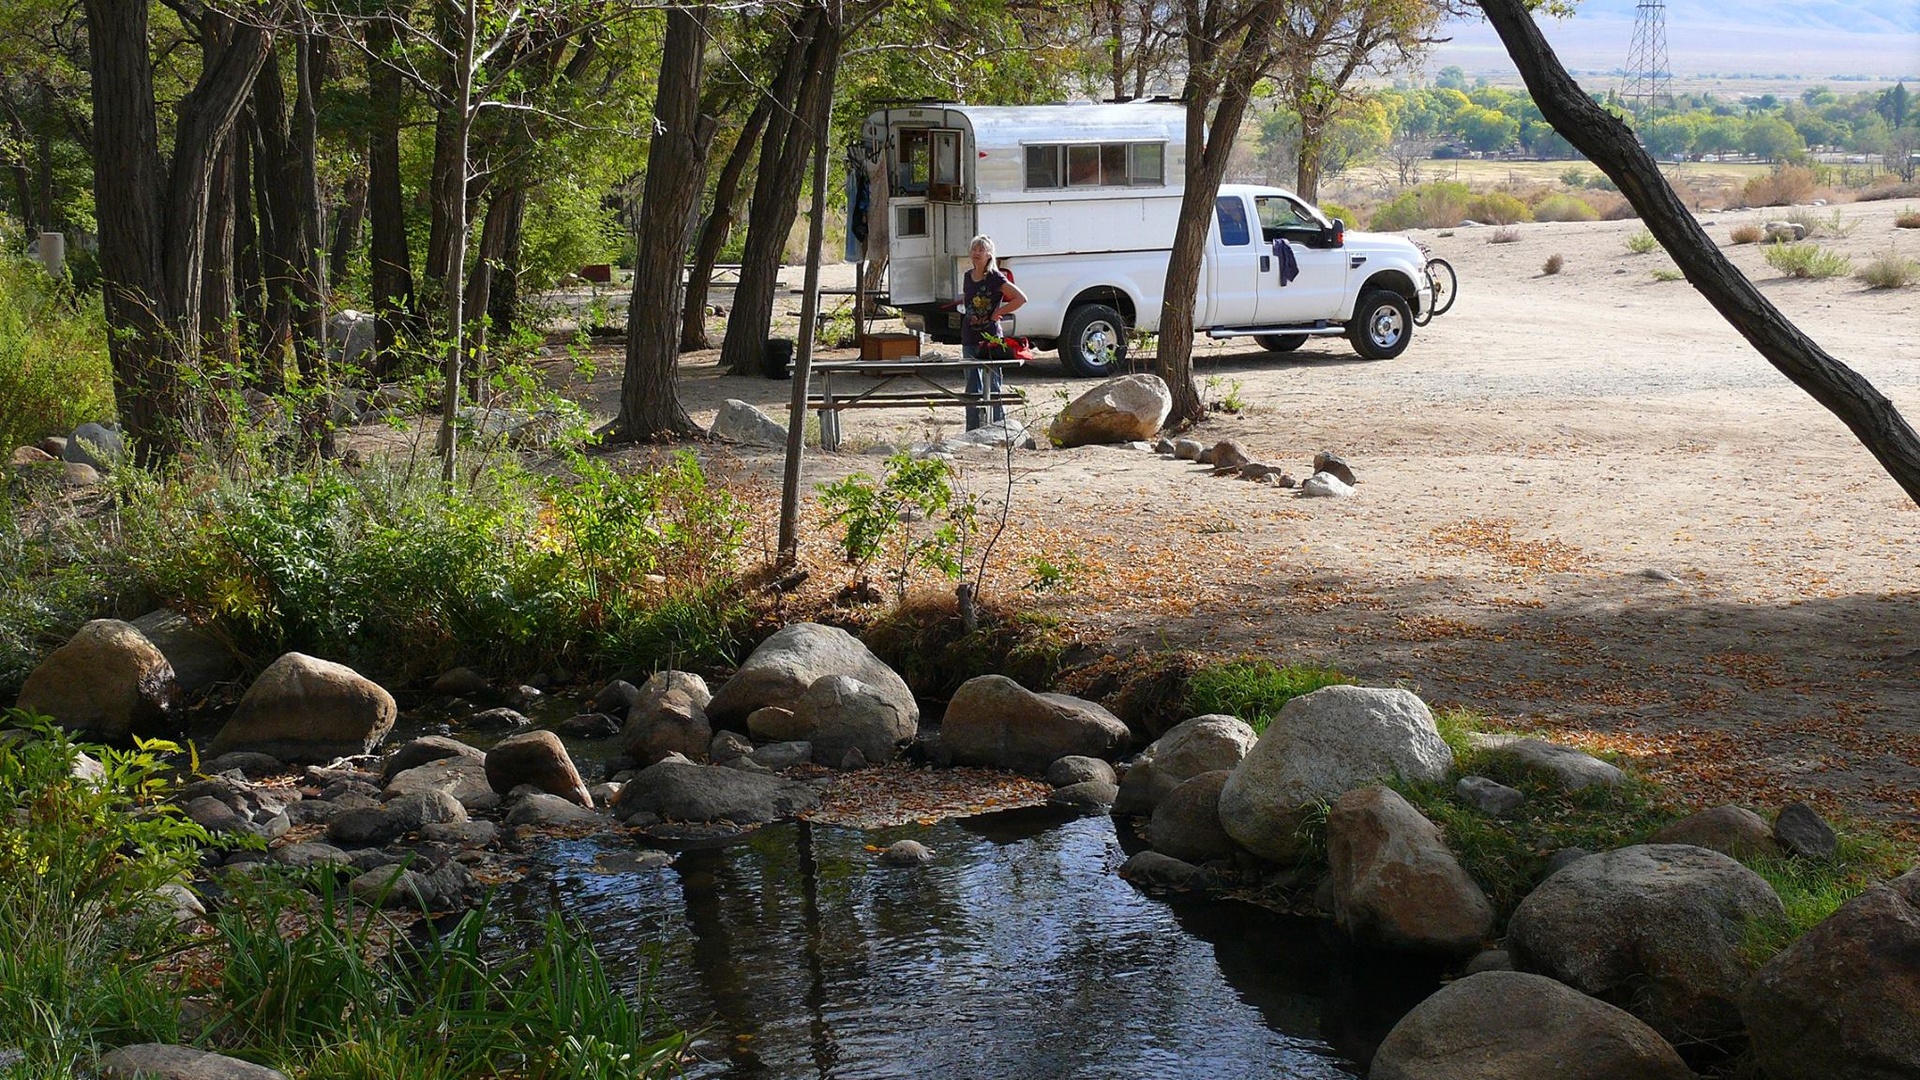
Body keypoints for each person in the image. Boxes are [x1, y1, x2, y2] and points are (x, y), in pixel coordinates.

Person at [959, 234, 1027, 431]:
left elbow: (1021, 298)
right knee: (972, 386)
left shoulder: (995, 277)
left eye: (981, 250)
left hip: (990, 338)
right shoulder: (967, 276)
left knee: (994, 385)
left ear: (989, 254)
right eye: (974, 249)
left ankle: (998, 428)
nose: (976, 253)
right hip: (969, 337)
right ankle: (972, 430)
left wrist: (999, 312)